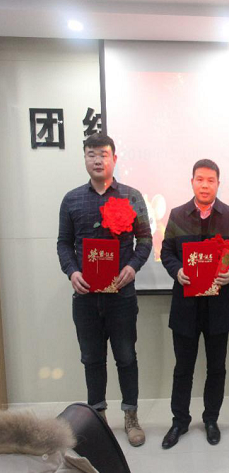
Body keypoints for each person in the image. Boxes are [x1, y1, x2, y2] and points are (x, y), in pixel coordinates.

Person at [57, 133, 152, 447]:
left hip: (121, 296)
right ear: (85, 158)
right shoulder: (71, 199)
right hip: (86, 297)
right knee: (91, 359)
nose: (97, 160)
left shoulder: (132, 196)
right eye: (91, 154)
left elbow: (145, 240)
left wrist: (132, 267)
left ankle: (131, 416)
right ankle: (97, 420)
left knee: (126, 357)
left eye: (103, 154)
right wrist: (72, 272)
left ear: (114, 158)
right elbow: (63, 243)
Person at [160, 159, 229, 449]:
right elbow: (167, 252)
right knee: (183, 367)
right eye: (200, 179)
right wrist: (176, 271)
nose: (205, 185)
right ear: (192, 182)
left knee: (216, 367)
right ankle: (179, 421)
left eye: (210, 180)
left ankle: (211, 419)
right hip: (186, 306)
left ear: (218, 183)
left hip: (219, 306)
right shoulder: (177, 215)